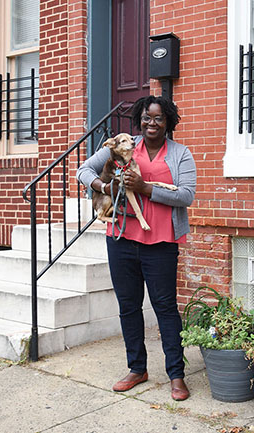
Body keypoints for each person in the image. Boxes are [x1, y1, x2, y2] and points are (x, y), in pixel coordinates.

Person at [77, 95, 196, 401]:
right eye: (146, 118)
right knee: (128, 306)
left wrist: (145, 188)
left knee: (165, 309)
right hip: (121, 239)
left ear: (167, 121)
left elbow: (185, 196)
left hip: (161, 243)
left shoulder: (180, 154)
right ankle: (137, 369)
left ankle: (176, 374)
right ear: (139, 120)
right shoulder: (124, 146)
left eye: (157, 118)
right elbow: (83, 172)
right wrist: (106, 187)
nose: (151, 123)